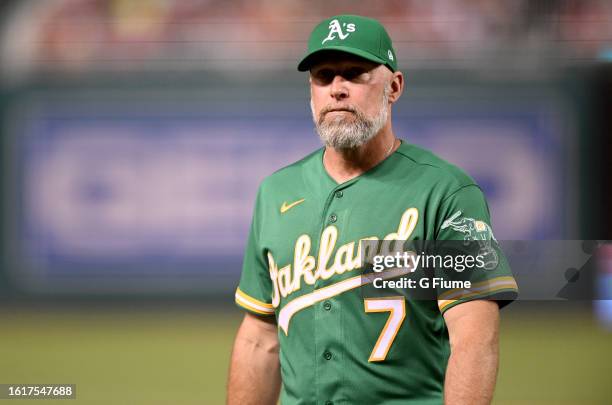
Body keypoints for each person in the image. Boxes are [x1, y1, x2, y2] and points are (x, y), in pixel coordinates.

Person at [227, 14, 518, 405]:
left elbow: (473, 336)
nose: (337, 89)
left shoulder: (444, 192)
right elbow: (259, 339)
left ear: (394, 86)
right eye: (323, 75)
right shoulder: (276, 192)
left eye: (355, 73)